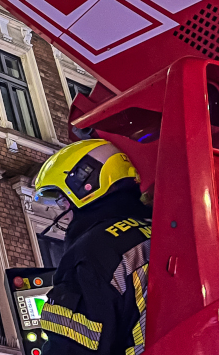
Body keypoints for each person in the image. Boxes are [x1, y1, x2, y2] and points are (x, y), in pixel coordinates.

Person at [33, 139, 151, 355]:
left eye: (62, 199)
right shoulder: (160, 227)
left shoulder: (91, 252)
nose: (62, 210)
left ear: (86, 185)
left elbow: (72, 348)